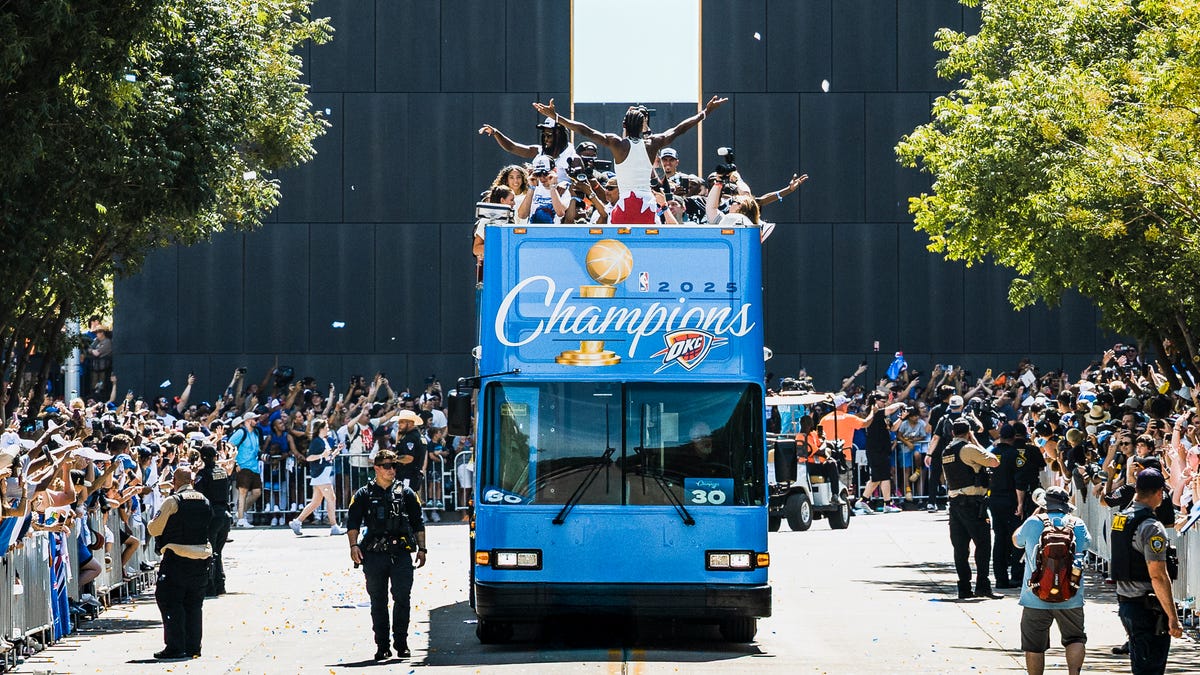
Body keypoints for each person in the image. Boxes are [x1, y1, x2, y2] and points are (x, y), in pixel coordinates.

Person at [531, 96, 727, 224]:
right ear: (643, 126)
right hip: (648, 207)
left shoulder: (617, 143)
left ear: (624, 124)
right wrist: (705, 112)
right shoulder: (653, 143)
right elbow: (679, 129)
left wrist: (556, 116)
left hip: (623, 208)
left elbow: (584, 130)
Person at [346, 450, 427, 661]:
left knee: (402, 599)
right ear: (377, 468)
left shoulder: (406, 493)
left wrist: (422, 549)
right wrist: (353, 546)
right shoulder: (363, 494)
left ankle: (401, 642)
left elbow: (418, 523)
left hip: (400, 554)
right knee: (378, 602)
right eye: (387, 466)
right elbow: (352, 523)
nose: (392, 470)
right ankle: (382, 645)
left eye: (394, 466)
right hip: (374, 555)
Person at [1013, 486, 1091, 675]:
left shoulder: (1033, 522)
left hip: (1035, 595)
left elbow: (1016, 540)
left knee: (1034, 645)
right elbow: (1087, 544)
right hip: (1070, 595)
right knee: (1075, 638)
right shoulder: (1077, 523)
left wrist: (1034, 516)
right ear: (1065, 505)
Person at [1111, 468, 1183, 675]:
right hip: (1147, 608)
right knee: (1150, 669)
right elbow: (1158, 575)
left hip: (1126, 602)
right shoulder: (1151, 526)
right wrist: (1172, 617)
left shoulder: (1121, 519)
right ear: (1160, 492)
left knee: (1140, 666)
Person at [147, 467, 214, 660]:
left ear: (175, 481)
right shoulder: (205, 500)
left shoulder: (172, 501)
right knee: (194, 604)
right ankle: (193, 646)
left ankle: (175, 646)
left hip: (177, 558)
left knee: (170, 601)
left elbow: (154, 528)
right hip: (201, 559)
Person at [942, 418, 1001, 599]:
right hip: (972, 504)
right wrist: (974, 439)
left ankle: (964, 588)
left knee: (960, 549)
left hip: (955, 504)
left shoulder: (947, 451)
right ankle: (983, 586)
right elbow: (993, 462)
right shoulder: (968, 448)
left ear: (952, 433)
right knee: (983, 545)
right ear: (968, 432)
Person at [289, 419, 346, 535]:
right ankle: (334, 526)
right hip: (321, 475)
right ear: (321, 428)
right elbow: (309, 458)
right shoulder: (316, 442)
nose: (328, 429)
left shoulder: (323, 441)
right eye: (326, 427)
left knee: (316, 502)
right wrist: (322, 455)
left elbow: (327, 458)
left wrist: (336, 452)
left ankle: (297, 521)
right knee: (331, 498)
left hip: (323, 474)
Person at [193, 444, 231, 596]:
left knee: (210, 552)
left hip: (212, 515)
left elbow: (199, 494)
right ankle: (220, 584)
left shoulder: (202, 474)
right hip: (225, 514)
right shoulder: (222, 471)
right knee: (218, 552)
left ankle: (210, 586)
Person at [989, 423, 1024, 589]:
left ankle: (1000, 578)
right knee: (1016, 538)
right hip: (1011, 500)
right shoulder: (1015, 455)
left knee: (999, 539)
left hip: (994, 500)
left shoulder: (991, 454)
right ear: (1014, 437)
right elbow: (1019, 481)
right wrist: (1021, 503)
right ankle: (1016, 576)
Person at [227, 412, 262, 527]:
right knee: (243, 492)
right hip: (242, 466)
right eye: (254, 419)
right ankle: (241, 519)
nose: (257, 421)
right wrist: (235, 462)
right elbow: (229, 445)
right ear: (248, 420)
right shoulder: (241, 432)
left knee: (257, 492)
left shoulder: (256, 433)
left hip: (254, 466)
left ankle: (239, 513)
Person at [392, 410, 427, 490]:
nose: (399, 425)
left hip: (407, 475)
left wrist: (393, 458)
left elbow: (408, 458)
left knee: (404, 498)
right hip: (414, 474)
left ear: (410, 423)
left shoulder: (410, 437)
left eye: (402, 422)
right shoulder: (418, 436)